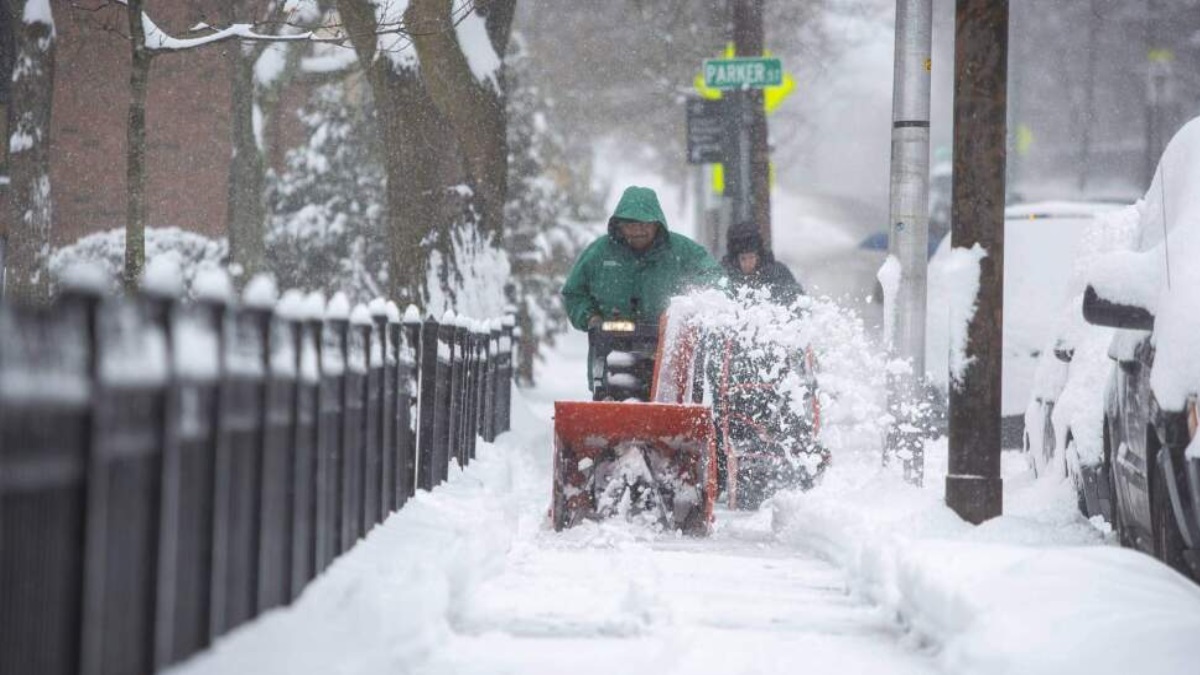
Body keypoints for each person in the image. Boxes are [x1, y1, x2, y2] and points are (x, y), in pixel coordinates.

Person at [561, 186, 722, 386]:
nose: (638, 231)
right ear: (619, 225)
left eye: (644, 224)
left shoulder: (683, 252)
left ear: (657, 224)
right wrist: (591, 318)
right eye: (631, 225)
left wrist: (693, 305)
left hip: (668, 360)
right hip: (610, 358)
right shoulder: (599, 254)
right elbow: (574, 293)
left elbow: (715, 279)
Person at [721, 221, 804, 306]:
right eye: (743, 259)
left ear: (758, 256)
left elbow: (797, 300)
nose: (748, 263)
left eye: (751, 257)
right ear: (735, 260)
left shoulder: (777, 274)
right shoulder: (724, 276)